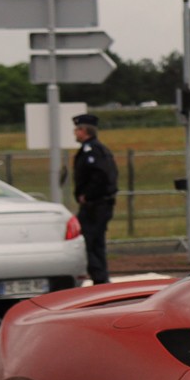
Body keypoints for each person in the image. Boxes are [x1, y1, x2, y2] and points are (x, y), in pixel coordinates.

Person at [70, 113, 119, 285]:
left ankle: (99, 278)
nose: (75, 133)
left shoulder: (92, 150)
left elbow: (100, 175)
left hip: (96, 205)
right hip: (97, 204)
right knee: (95, 242)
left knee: (89, 242)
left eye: (77, 129)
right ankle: (100, 278)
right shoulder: (94, 149)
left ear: (84, 131)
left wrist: (87, 195)